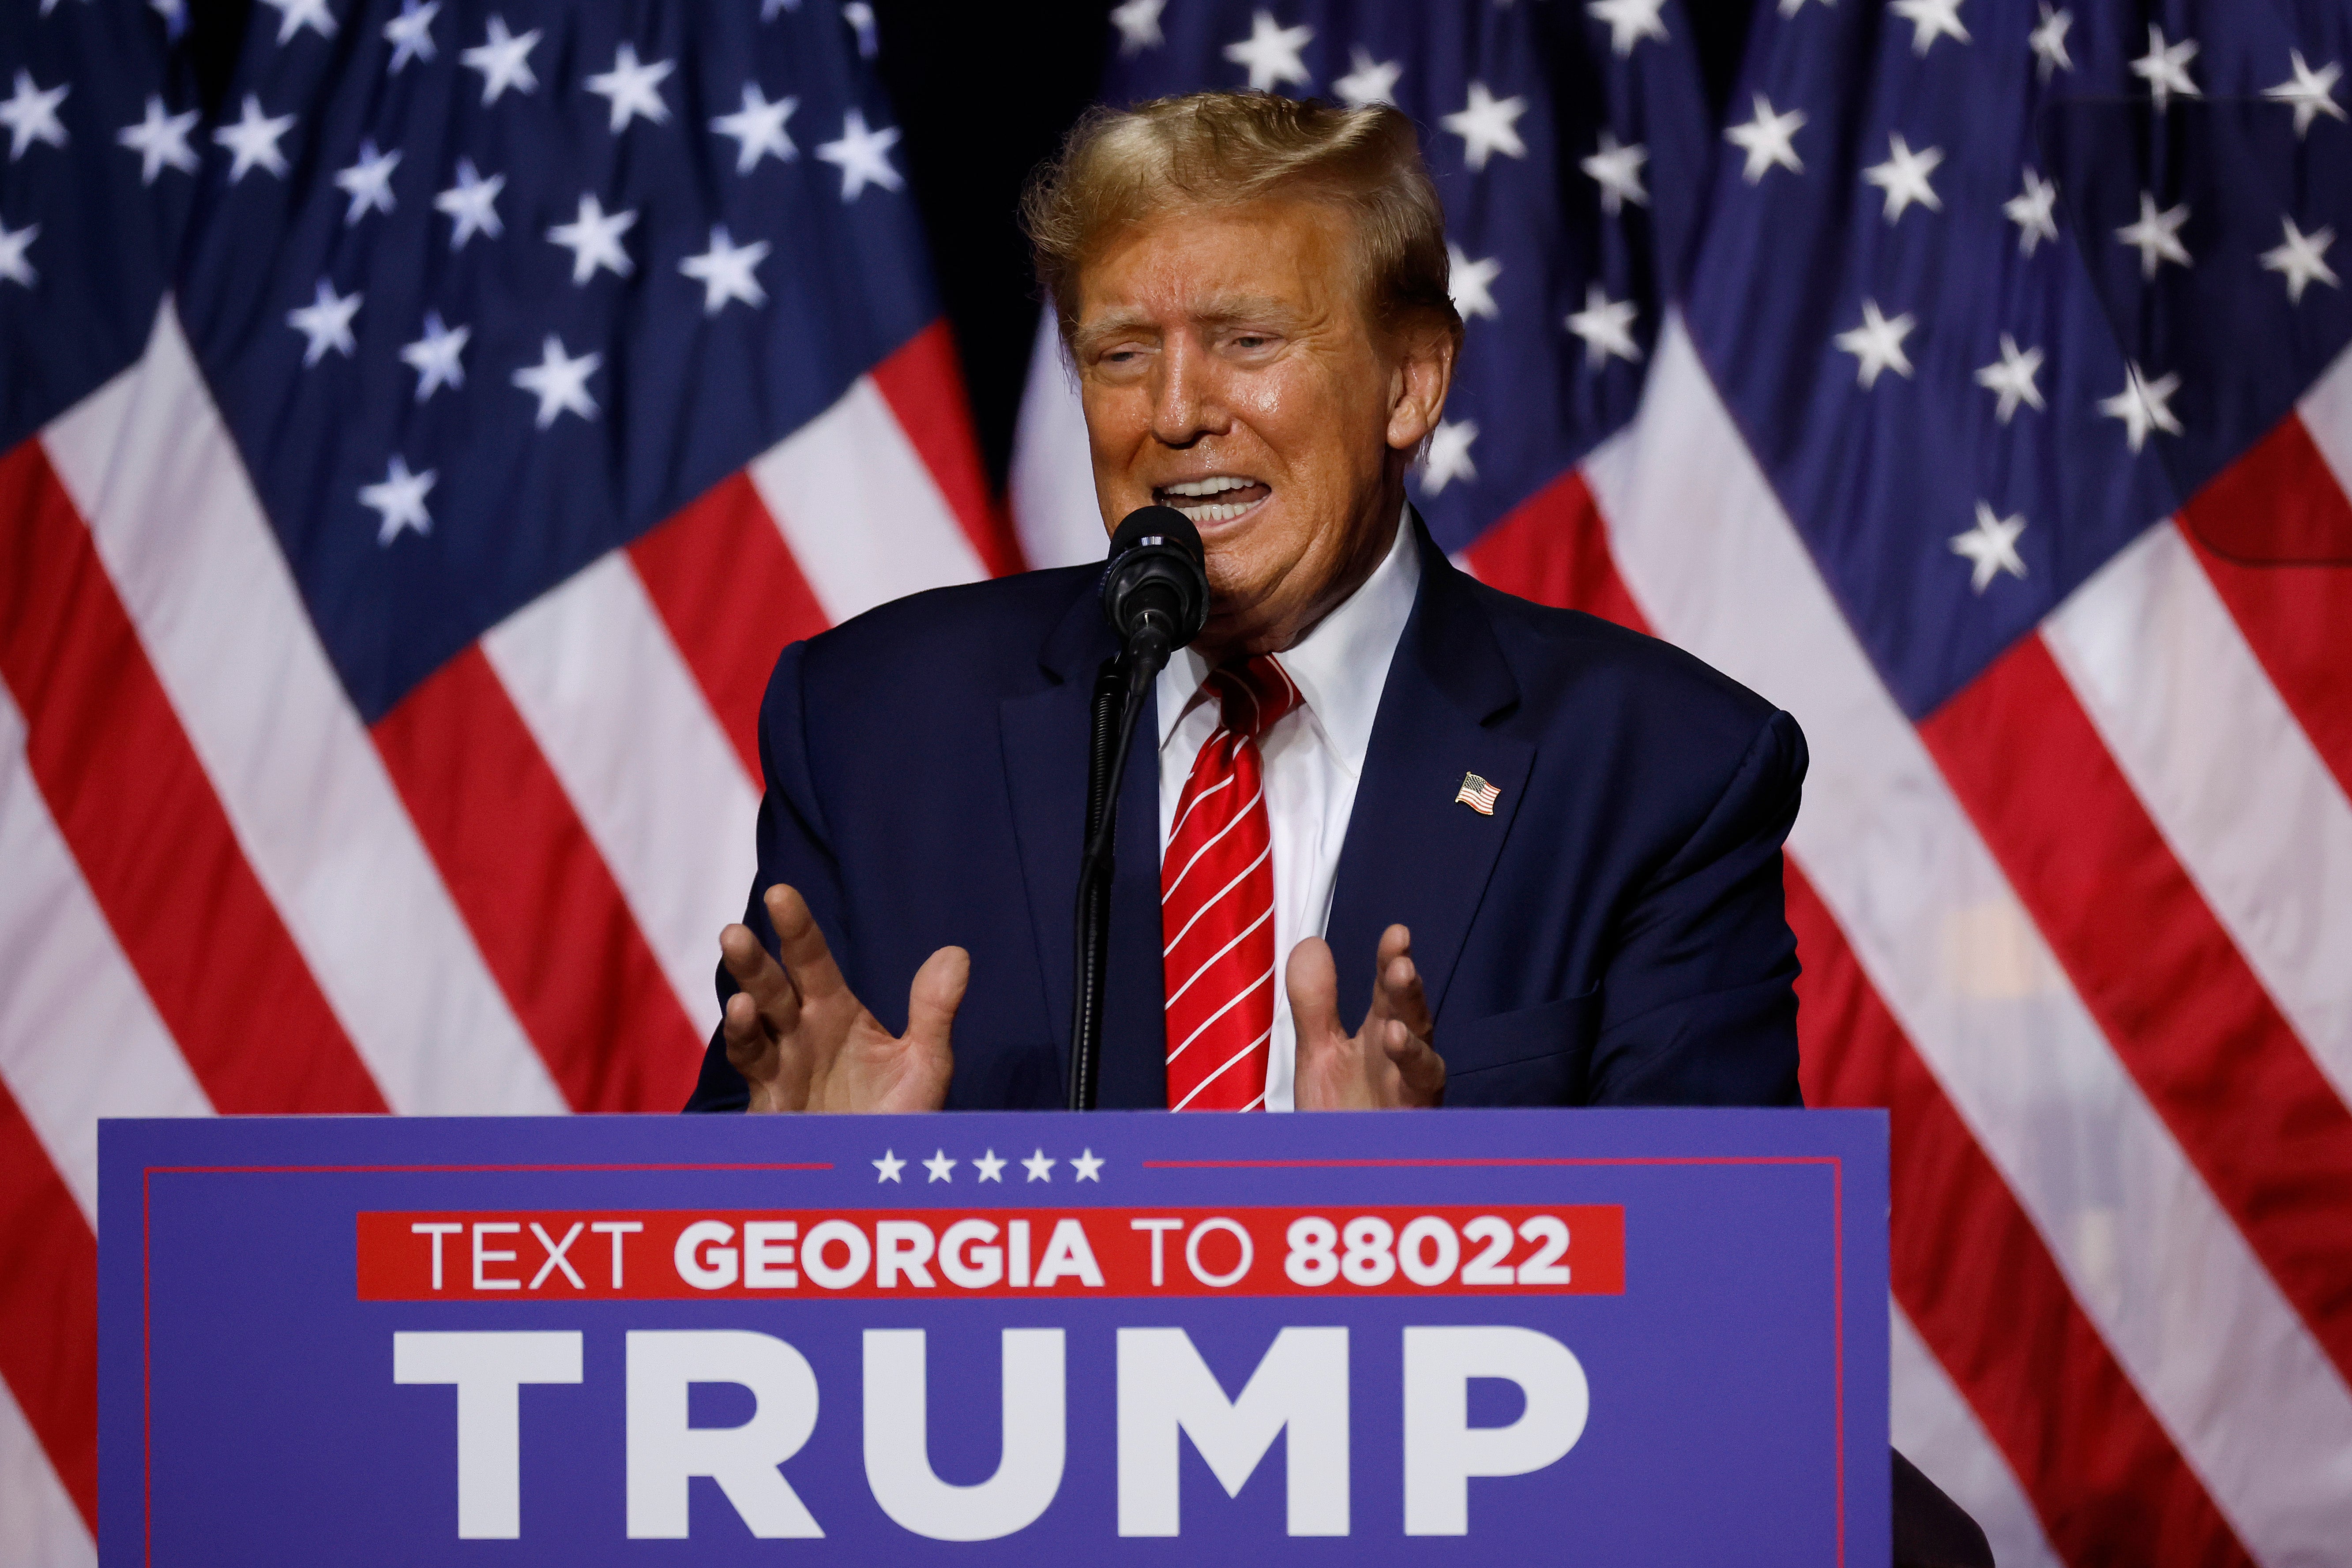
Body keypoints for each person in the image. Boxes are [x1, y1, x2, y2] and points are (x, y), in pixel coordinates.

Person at [684, 91, 1806, 1119]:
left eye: (1248, 341)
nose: (1175, 414)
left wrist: (1423, 1212)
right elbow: (704, 1253)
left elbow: (1725, 1251)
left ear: (1412, 381)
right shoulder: (876, 725)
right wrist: (808, 1191)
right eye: (1122, 354)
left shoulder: (1659, 771)